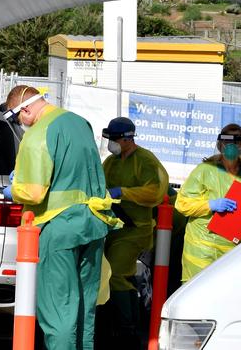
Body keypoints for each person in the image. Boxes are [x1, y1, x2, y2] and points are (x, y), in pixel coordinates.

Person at [1, 85, 122, 350]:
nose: (19, 123)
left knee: (59, 312)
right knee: (84, 308)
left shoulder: (37, 136)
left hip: (58, 231)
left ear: (26, 108)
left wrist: (14, 190)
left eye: (15, 117)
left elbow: (33, 193)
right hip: (92, 225)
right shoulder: (81, 124)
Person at [100, 117, 169, 348]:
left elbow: (155, 192)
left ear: (128, 138)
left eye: (115, 139)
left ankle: (128, 329)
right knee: (111, 275)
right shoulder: (111, 161)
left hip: (136, 229)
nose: (111, 143)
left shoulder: (146, 160)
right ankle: (117, 325)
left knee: (118, 273)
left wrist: (124, 192)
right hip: (113, 226)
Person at [176, 123, 241, 282]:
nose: (231, 146)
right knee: (196, 293)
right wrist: (210, 205)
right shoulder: (205, 170)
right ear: (220, 144)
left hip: (234, 251)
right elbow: (182, 203)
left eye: (236, 142)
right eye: (227, 142)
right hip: (202, 248)